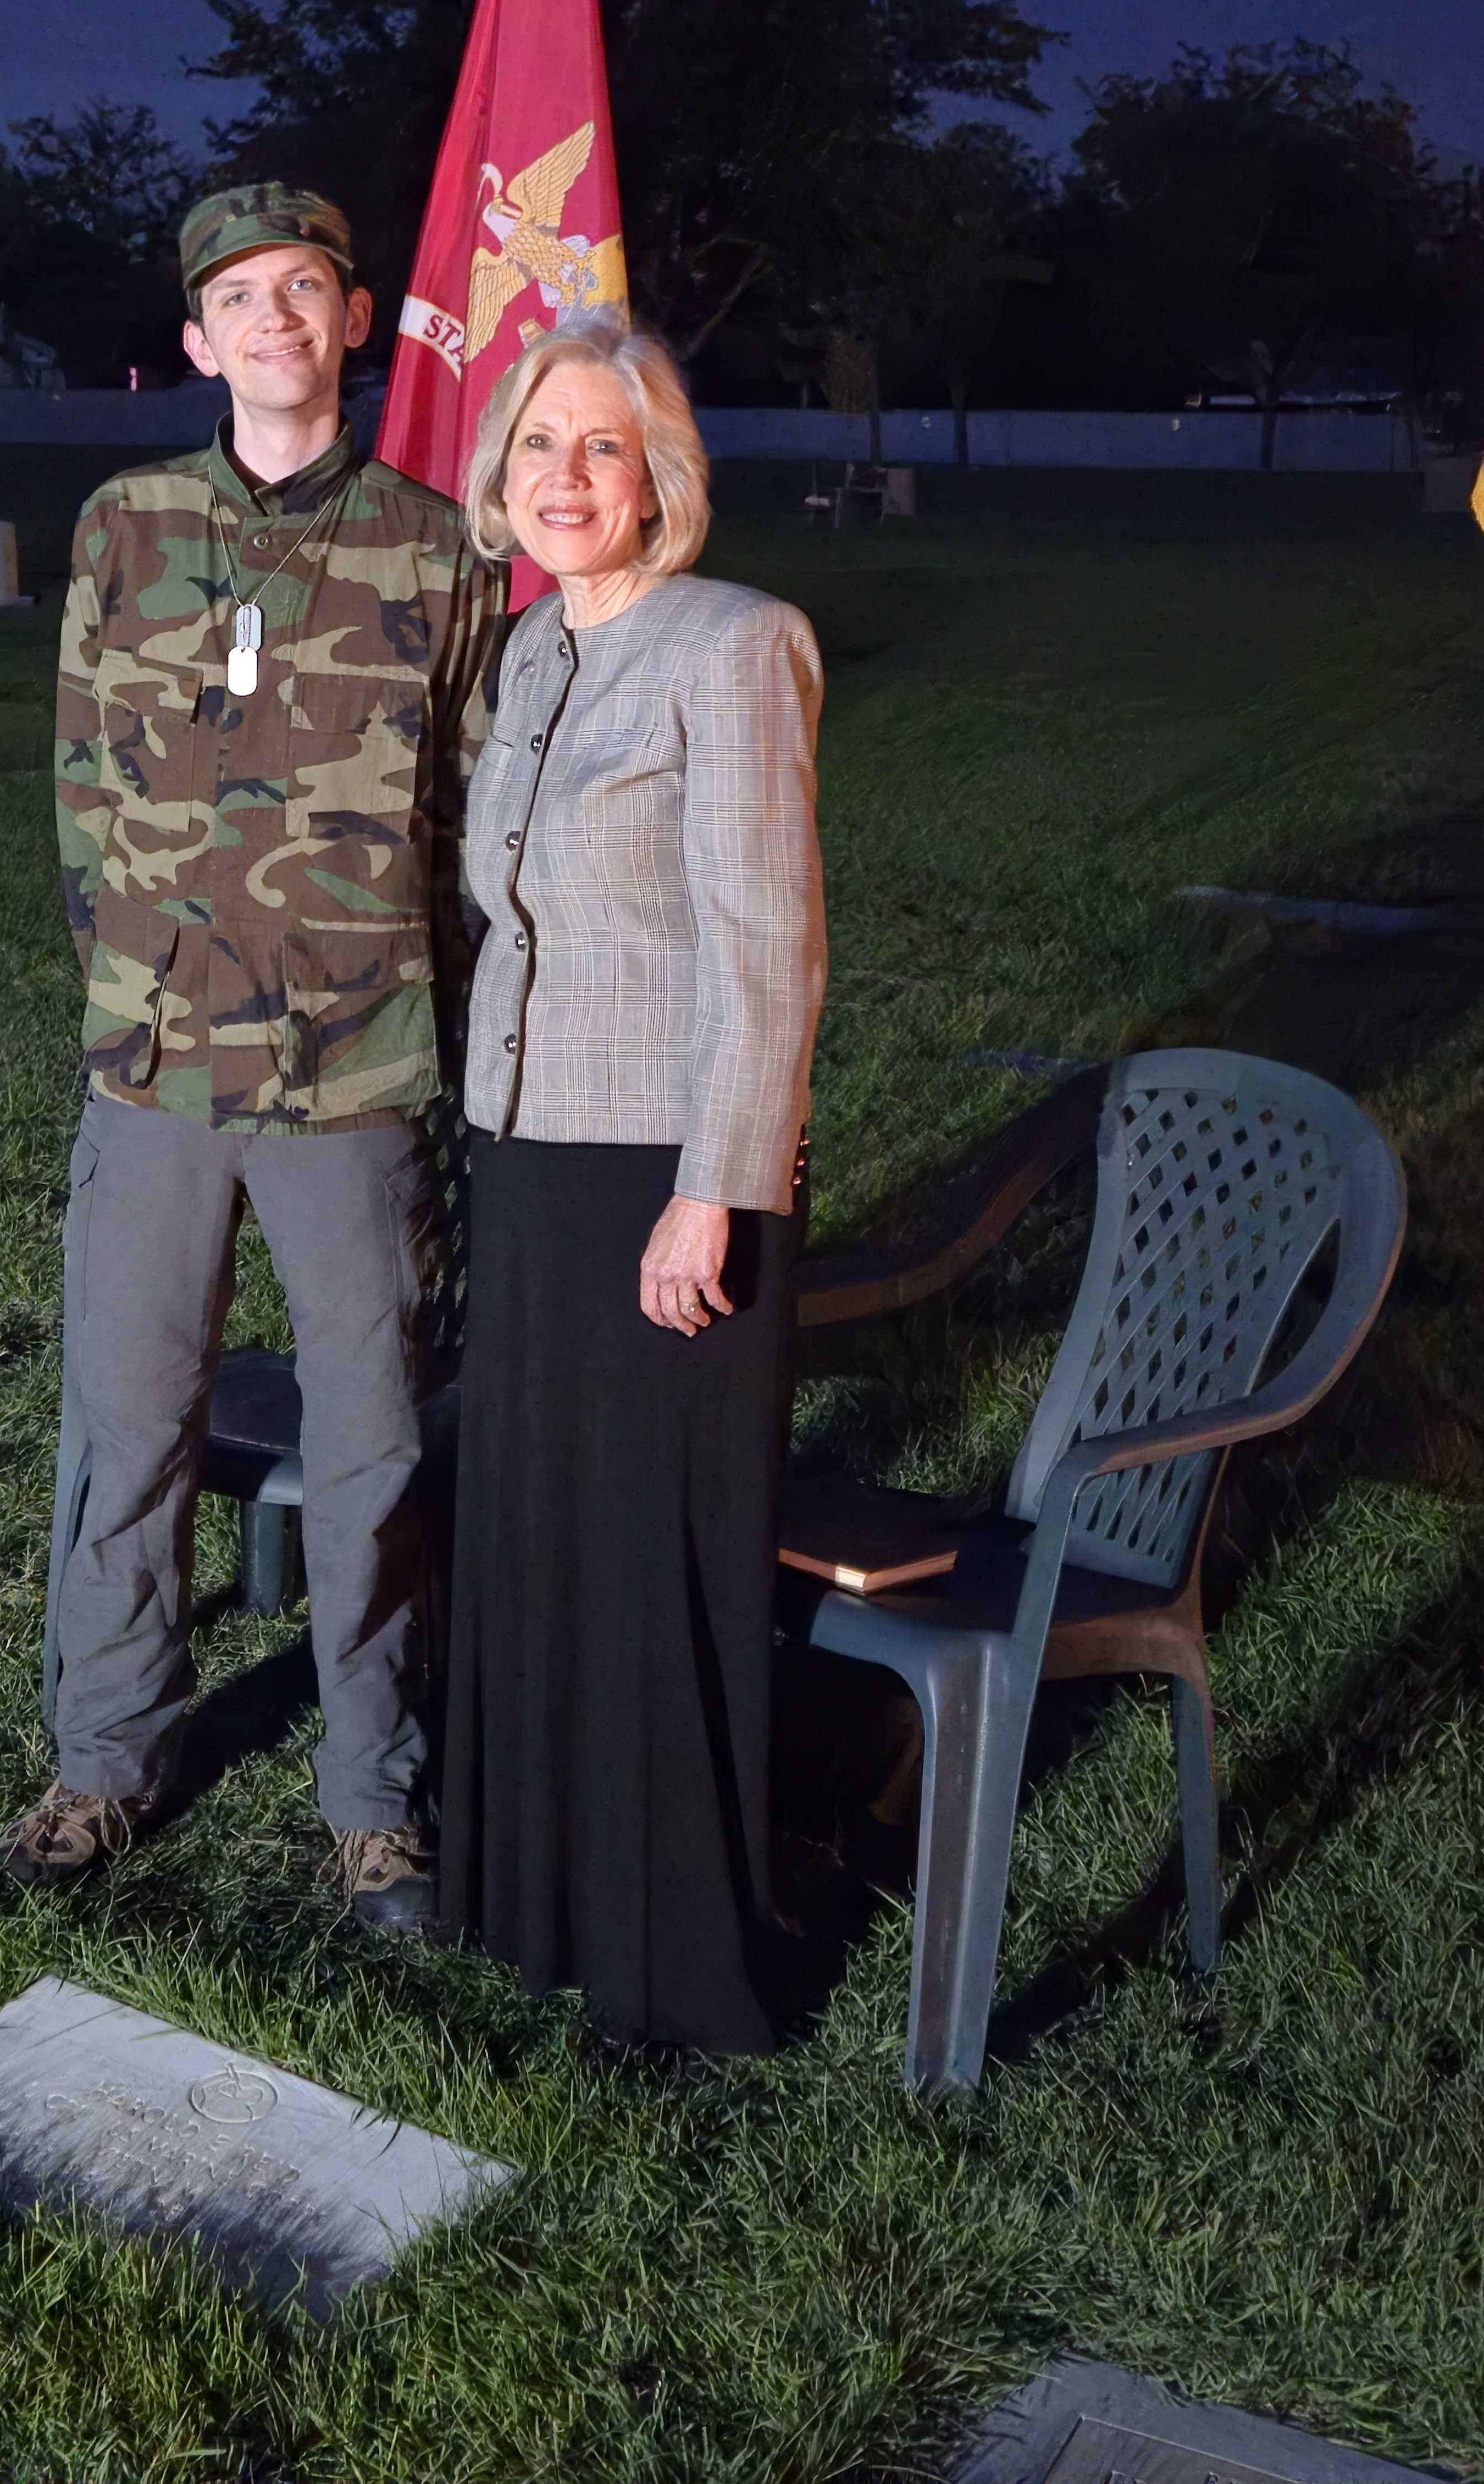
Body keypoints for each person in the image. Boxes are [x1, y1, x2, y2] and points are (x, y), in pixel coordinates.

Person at [12, 182, 504, 1934]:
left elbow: (466, 816)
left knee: (371, 1452)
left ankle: (373, 1797)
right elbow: (80, 781)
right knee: (128, 1431)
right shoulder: (124, 527)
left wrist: (420, 1021)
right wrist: (133, 986)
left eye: (306, 289)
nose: (274, 319)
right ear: (199, 339)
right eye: (240, 296)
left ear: (355, 320)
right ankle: (102, 1759)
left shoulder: (442, 550)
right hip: (151, 1072)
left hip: (356, 1075)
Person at [438, 313, 826, 2053]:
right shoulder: (529, 652)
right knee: (542, 1543)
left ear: (662, 475)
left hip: (659, 1184)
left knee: (655, 1563)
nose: (566, 478)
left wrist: (714, 1186)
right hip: (525, 1160)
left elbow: (769, 942)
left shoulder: (732, 646)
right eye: (539, 445)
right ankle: (542, 1915)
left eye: (604, 447)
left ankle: (683, 1979)